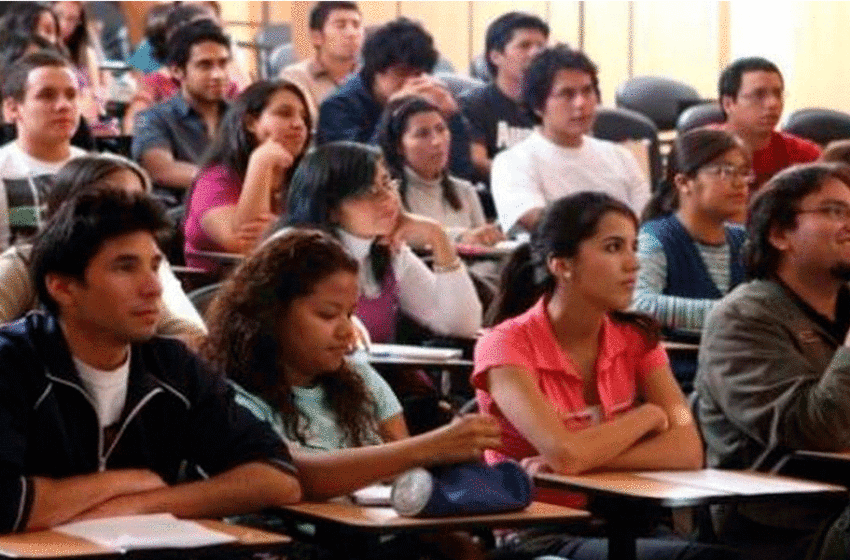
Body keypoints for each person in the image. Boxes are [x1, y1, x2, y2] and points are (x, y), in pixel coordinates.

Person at [0, 188, 301, 532]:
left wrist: (138, 505)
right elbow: (6, 502)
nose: (153, 287)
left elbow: (276, 474)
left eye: (155, 266)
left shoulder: (174, 367)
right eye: (125, 268)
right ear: (63, 288)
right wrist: (128, 481)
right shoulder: (12, 363)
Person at [474, 192, 731, 560]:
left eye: (634, 247)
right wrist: (649, 416)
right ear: (562, 265)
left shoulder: (637, 338)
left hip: (623, 519)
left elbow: (687, 448)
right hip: (540, 534)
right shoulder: (505, 345)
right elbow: (565, 455)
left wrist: (582, 456)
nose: (633, 264)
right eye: (613, 248)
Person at [694, 163, 850, 560]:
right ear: (780, 234)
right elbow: (816, 429)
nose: (849, 223)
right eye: (834, 211)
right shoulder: (743, 318)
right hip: (784, 525)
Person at [284, 141, 482, 344]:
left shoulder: (389, 250)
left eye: (387, 183)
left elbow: (462, 325)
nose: (388, 198)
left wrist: (437, 236)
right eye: (370, 192)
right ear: (331, 209)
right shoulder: (294, 253)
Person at [0, 154, 205, 341]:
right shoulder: (21, 264)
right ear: (69, 209)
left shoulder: (149, 263)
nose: (130, 216)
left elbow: (193, 335)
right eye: (112, 204)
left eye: (140, 203)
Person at [632, 128, 751, 390]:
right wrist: (731, 315)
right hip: (680, 380)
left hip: (742, 374)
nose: (740, 183)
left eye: (743, 172)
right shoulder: (656, 236)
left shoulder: (743, 240)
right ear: (684, 182)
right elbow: (639, 303)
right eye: (725, 171)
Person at [491, 45, 649, 235]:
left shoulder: (621, 157)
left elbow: (647, 224)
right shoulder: (512, 163)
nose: (581, 103)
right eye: (566, 94)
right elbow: (544, 226)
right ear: (538, 106)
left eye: (587, 91)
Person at [316, 17, 475, 181]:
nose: (411, 82)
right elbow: (359, 174)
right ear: (376, 70)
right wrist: (392, 112)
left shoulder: (427, 98)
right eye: (402, 74)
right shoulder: (337, 107)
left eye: (418, 74)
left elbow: (462, 173)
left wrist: (453, 117)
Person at [184, 79, 311, 273]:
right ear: (251, 123)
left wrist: (281, 230)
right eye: (284, 113)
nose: (298, 124)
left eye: (303, 117)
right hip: (219, 292)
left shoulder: (303, 174)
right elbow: (250, 249)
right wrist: (260, 162)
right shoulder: (215, 179)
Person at [377, 95, 502, 246]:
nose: (437, 141)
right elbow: (403, 240)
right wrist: (462, 237)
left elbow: (486, 250)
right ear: (398, 146)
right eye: (422, 134)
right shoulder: (391, 194)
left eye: (441, 129)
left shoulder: (464, 190)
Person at [131, 19, 231, 194]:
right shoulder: (153, 118)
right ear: (177, 71)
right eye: (204, 65)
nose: (218, 74)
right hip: (181, 213)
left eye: (223, 63)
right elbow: (161, 169)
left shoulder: (243, 115)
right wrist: (233, 181)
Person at [0, 50, 86, 248]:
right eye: (47, 96)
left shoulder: (100, 172)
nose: (64, 105)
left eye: (71, 95)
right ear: (12, 109)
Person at [460, 12, 548, 179]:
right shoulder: (473, 104)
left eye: (541, 46)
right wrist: (529, 180)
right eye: (524, 46)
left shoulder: (552, 104)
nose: (535, 53)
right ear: (495, 56)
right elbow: (477, 162)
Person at [717, 57, 820, 194]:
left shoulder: (805, 156)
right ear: (728, 104)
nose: (773, 103)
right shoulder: (699, 151)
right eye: (759, 95)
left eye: (778, 94)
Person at [280, 1, 363, 122]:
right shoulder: (295, 77)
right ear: (317, 37)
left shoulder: (370, 75)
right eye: (341, 26)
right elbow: (310, 123)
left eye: (356, 25)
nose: (351, 33)